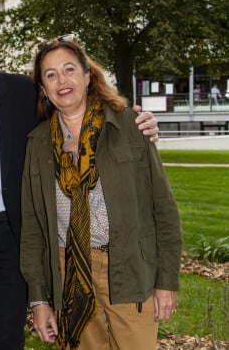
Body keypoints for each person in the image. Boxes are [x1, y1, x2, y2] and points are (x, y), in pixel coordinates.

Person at [0, 2, 160, 350]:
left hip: (7, 234)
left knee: (7, 339)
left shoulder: (21, 93)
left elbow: (75, 111)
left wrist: (135, 119)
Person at [20, 36, 183, 349]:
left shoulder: (130, 127)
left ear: (87, 76)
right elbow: (32, 231)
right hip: (69, 274)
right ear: (43, 88)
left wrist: (166, 281)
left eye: (69, 70)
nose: (61, 81)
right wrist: (39, 300)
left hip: (128, 270)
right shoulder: (38, 144)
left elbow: (164, 210)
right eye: (50, 75)